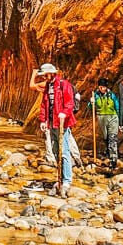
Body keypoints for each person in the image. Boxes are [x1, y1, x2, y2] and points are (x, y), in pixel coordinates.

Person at [37, 62, 76, 197]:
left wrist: (64, 113)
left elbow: (70, 103)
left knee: (64, 151)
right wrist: (43, 120)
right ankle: (60, 177)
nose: (43, 78)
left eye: (44, 75)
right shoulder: (48, 86)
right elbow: (44, 104)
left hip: (62, 124)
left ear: (51, 73)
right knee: (55, 150)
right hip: (52, 123)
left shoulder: (64, 84)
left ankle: (66, 180)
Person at [90, 78, 120, 170]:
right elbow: (90, 107)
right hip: (101, 117)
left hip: (113, 117)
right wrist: (91, 103)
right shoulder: (96, 95)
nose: (102, 88)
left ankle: (113, 159)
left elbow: (117, 106)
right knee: (106, 137)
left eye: (103, 87)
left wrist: (120, 119)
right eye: (100, 87)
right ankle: (108, 154)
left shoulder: (111, 95)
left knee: (112, 137)